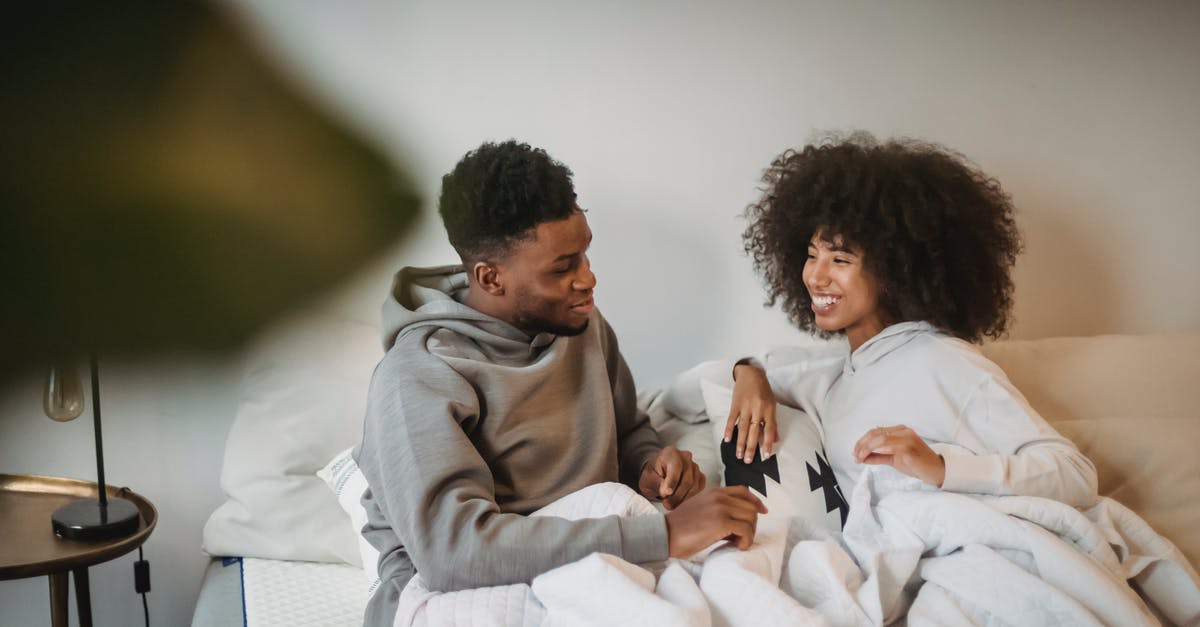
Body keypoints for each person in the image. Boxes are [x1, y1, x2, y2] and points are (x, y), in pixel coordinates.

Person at [356, 140, 766, 626]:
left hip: (591, 554)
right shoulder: (419, 375)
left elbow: (628, 430)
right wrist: (666, 535)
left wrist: (650, 466)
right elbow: (454, 555)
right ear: (490, 278)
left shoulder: (582, 326)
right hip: (454, 590)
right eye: (563, 267)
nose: (588, 279)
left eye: (584, 254)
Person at [723, 132, 1098, 509]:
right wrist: (749, 374)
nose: (815, 277)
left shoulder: (942, 361)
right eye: (811, 255)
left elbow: (1075, 475)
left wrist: (939, 467)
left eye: (840, 260)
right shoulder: (835, 378)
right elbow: (693, 390)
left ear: (894, 270)